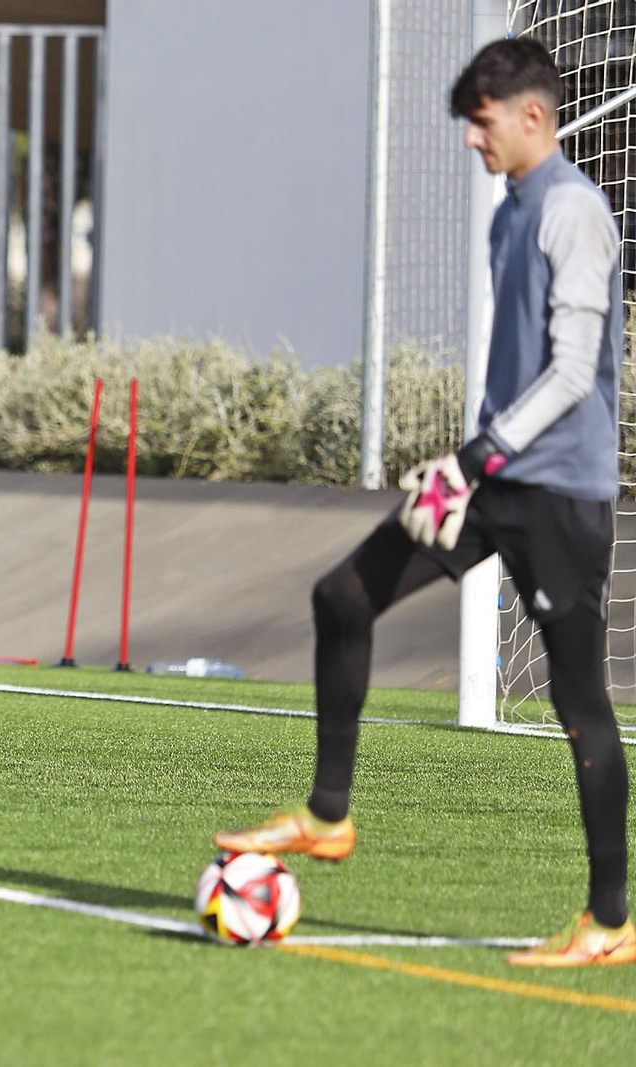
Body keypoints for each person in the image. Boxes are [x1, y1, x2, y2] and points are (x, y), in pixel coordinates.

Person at [215, 38, 632, 967]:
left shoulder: (574, 213)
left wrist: (477, 453)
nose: (473, 142)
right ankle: (328, 816)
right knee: (342, 595)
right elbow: (514, 368)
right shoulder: (507, 213)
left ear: (532, 114)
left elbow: (572, 374)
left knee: (578, 704)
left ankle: (610, 918)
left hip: (560, 494)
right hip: (495, 480)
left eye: (481, 124)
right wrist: (471, 465)